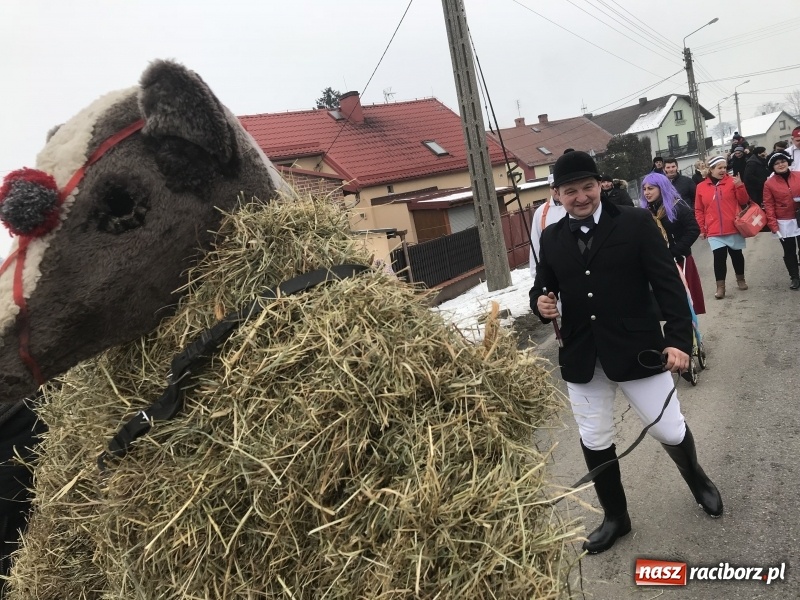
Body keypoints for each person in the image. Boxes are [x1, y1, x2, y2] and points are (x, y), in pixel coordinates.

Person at [530, 151, 722, 554]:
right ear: (557, 195)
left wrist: (678, 340)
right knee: (595, 437)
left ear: (600, 185)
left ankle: (698, 479)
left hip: (639, 349)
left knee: (668, 427)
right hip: (583, 356)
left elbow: (667, 283)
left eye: (587, 187)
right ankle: (616, 516)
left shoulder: (634, 222)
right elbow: (543, 284)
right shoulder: (551, 236)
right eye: (570, 191)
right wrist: (540, 303)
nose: (580, 197)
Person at [640, 172, 704, 315]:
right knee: (665, 305)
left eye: (651, 188)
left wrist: (673, 252)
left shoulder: (678, 206)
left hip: (680, 261)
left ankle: (691, 335)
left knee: (685, 304)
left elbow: (693, 230)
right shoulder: (645, 212)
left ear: (661, 188)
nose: (646, 193)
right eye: (644, 189)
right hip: (658, 263)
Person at [694, 155, 751, 299]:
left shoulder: (732, 182)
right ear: (711, 169)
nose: (723, 170)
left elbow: (744, 201)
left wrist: (740, 186)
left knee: (737, 255)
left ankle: (740, 279)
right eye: (720, 168)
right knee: (719, 258)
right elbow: (699, 210)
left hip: (733, 226)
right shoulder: (701, 187)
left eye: (725, 167)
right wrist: (702, 228)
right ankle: (720, 287)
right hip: (714, 230)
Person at [763, 150, 800, 289]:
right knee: (789, 251)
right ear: (772, 166)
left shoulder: (799, 175)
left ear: (788, 162)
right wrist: (773, 225)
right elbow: (769, 204)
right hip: (784, 221)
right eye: (777, 163)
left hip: (799, 216)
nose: (781, 165)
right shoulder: (769, 184)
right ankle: (795, 277)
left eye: (783, 161)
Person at [529, 175, 567, 279]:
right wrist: (535, 271)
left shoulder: (573, 207)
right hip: (551, 268)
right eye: (552, 187)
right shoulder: (541, 212)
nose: (555, 190)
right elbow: (535, 242)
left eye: (558, 186)